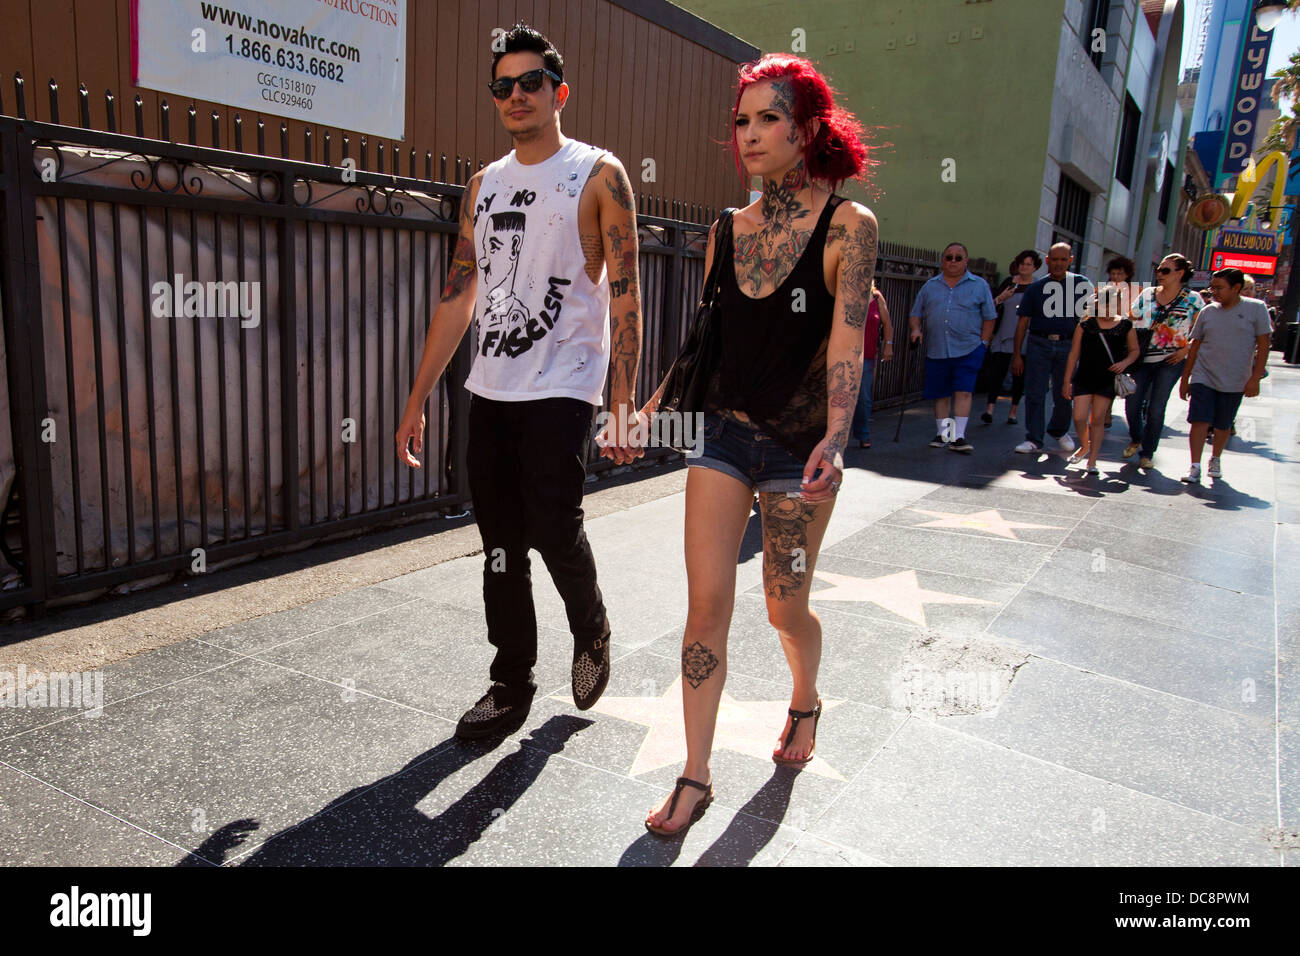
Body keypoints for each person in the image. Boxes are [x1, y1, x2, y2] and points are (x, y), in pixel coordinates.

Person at [637, 52, 878, 836]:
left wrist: (838, 440)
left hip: (800, 450)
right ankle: (695, 775)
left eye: (768, 118)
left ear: (808, 129)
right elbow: (705, 342)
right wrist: (649, 409)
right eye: (741, 120)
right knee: (706, 605)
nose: (749, 134)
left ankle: (805, 697)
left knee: (785, 605)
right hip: (724, 439)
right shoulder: (725, 232)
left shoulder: (849, 226)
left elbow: (849, 348)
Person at [395, 23, 644, 738]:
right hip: (491, 390)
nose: (516, 95)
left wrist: (623, 402)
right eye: (502, 86)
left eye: (530, 82)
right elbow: (458, 297)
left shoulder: (599, 174)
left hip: (563, 387)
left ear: (559, 92)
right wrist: (416, 400)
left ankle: (590, 625)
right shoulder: (484, 184)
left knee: (553, 527)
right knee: (499, 540)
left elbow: (626, 291)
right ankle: (511, 682)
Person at [1178, 268, 1271, 483]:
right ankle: (1194, 465)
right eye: (1212, 287)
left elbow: (1264, 346)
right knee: (1199, 420)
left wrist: (1255, 378)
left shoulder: (1256, 309)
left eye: (1219, 288)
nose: (1214, 292)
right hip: (1204, 375)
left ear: (1236, 288)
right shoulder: (1208, 311)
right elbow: (1195, 347)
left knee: (1223, 424)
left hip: (1235, 378)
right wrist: (1185, 379)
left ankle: (1215, 458)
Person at [907, 243, 996, 452]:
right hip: (937, 348)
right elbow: (915, 313)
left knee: (963, 391)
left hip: (969, 347)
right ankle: (944, 434)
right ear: (942, 261)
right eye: (949, 257)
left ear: (966, 261)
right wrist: (915, 330)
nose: (953, 261)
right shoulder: (930, 286)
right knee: (941, 393)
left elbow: (990, 317)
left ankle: (959, 437)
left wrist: (983, 343)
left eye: (958, 257)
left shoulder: (979, 285)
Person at [1122, 253, 1203, 470]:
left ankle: (1147, 452)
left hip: (1172, 359)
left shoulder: (1193, 299)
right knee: (1132, 402)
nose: (1160, 274)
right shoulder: (1148, 294)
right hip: (1143, 356)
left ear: (1180, 273)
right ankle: (1136, 437)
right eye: (1158, 270)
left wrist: (1185, 350)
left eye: (1165, 270)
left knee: (1157, 407)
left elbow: (1201, 331)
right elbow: (1131, 318)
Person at [1012, 242, 1092, 455]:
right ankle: (1034, 439)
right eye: (1054, 259)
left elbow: (1091, 320)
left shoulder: (1082, 285)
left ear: (1070, 261)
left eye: (1063, 259)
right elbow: (1022, 324)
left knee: (1064, 393)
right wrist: (1017, 355)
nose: (1058, 263)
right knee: (1035, 393)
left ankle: (1058, 430)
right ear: (1047, 260)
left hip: (1068, 345)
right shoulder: (1036, 288)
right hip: (1039, 344)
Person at [1062, 284, 1139, 475]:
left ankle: (1093, 460)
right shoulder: (1085, 325)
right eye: (1104, 305)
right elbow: (1073, 354)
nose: (1107, 310)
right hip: (1084, 376)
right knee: (1079, 417)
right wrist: (1066, 380)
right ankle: (1085, 445)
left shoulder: (1125, 325)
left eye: (1113, 305)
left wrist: (1124, 363)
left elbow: (1135, 350)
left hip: (1107, 378)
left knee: (1097, 419)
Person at [979, 249, 1039, 425]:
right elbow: (991, 306)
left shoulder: (1037, 287)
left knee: (1019, 374)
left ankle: (1013, 412)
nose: (1024, 267)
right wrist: (1001, 297)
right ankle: (989, 409)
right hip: (1004, 332)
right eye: (1022, 264)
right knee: (997, 371)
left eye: (1028, 264)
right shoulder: (1009, 283)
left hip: (1025, 336)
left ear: (1035, 267)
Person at [850, 282, 894, 448]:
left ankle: (863, 434)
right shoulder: (844, 293)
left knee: (863, 397)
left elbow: (887, 324)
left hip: (867, 355)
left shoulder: (876, 297)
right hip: (845, 353)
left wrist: (888, 344)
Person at [1100, 255, 1137, 428]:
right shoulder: (1102, 291)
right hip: (1102, 338)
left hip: (1123, 339)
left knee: (1114, 377)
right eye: (1113, 273)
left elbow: (1137, 317)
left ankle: (1107, 412)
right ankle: (1102, 412)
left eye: (1120, 273)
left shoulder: (1134, 293)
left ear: (1127, 275)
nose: (1115, 277)